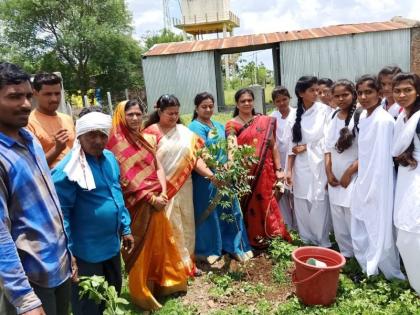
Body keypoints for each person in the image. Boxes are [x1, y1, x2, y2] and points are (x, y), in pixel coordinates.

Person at [0, 62, 74, 315]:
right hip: (30, 278)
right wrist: (24, 299)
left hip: (57, 265)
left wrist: (67, 252)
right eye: (14, 97)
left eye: (27, 96)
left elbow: (49, 201)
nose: (25, 104)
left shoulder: (28, 139)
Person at [52, 109, 134, 315]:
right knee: (88, 302)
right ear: (80, 135)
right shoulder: (68, 169)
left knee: (112, 294)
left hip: (111, 245)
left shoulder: (109, 158)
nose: (98, 140)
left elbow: (117, 195)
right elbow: (62, 216)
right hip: (86, 251)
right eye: (92, 134)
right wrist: (68, 253)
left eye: (103, 135)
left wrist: (125, 227)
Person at [107, 100, 187, 310]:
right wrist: (151, 198)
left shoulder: (147, 138)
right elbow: (124, 179)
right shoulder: (115, 143)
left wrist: (162, 192)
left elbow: (157, 165)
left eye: (138, 114)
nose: (134, 118)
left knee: (160, 243)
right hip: (136, 205)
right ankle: (142, 293)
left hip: (157, 199)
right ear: (121, 116)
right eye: (130, 114)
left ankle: (164, 284)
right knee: (140, 248)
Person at [143, 94, 215, 274]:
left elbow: (195, 159)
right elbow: (144, 165)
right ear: (159, 111)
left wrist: (211, 175)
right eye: (170, 113)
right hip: (162, 190)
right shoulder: (150, 133)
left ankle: (187, 263)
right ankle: (170, 268)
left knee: (187, 224)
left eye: (176, 113)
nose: (174, 117)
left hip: (184, 184)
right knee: (170, 227)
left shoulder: (185, 133)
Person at [351, 74, 404, 280]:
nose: (363, 97)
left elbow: (383, 160)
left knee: (379, 227)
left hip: (380, 183)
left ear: (380, 94)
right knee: (361, 225)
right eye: (360, 93)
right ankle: (368, 268)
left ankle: (388, 273)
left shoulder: (384, 121)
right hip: (364, 179)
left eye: (368, 92)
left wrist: (374, 187)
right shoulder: (364, 117)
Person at [189, 92, 253, 263]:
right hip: (206, 178)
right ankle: (210, 249)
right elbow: (200, 152)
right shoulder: (194, 127)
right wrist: (216, 170)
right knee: (210, 213)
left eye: (211, 106)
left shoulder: (218, 125)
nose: (208, 109)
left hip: (226, 175)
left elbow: (229, 146)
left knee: (230, 209)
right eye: (204, 106)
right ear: (196, 108)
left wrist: (230, 165)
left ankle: (233, 245)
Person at [225, 88, 291, 249]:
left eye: (249, 100)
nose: (247, 103)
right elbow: (232, 146)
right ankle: (254, 238)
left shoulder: (264, 121)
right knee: (250, 207)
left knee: (268, 202)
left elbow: (273, 146)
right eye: (243, 101)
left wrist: (279, 168)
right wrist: (231, 164)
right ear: (237, 104)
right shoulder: (232, 124)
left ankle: (273, 234)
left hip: (266, 170)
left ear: (253, 102)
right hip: (246, 173)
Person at [285, 76, 331, 247]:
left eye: (317, 90)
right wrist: (288, 170)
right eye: (312, 90)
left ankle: (322, 241)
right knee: (301, 200)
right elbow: (291, 146)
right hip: (301, 166)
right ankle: (306, 239)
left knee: (319, 200)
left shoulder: (325, 111)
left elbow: (328, 140)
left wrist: (307, 147)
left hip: (319, 163)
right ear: (301, 93)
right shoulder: (294, 115)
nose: (316, 93)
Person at [324, 80, 360, 258]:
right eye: (336, 96)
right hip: (335, 179)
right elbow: (328, 148)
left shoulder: (360, 116)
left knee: (353, 218)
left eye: (344, 95)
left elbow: (368, 153)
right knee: (338, 219)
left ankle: (360, 257)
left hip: (354, 177)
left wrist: (348, 173)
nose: (340, 99)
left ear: (353, 94)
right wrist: (329, 173)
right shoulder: (333, 116)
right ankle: (346, 255)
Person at [392, 72, 420, 293]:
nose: (402, 95)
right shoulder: (403, 117)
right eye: (397, 90)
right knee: (404, 235)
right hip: (406, 180)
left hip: (416, 184)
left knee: (413, 234)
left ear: (417, 91)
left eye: (407, 90)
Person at [27, 72, 75, 168]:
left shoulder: (67, 119)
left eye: (57, 93)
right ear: (35, 93)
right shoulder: (28, 124)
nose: (54, 99)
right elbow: (33, 167)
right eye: (48, 94)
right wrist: (57, 149)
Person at [270, 86, 297, 231]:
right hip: (279, 158)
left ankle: (299, 227)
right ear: (274, 102)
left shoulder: (297, 114)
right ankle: (287, 225)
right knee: (282, 192)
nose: (282, 103)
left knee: (295, 193)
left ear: (289, 98)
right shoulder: (272, 117)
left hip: (295, 159)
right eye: (278, 100)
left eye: (284, 99)